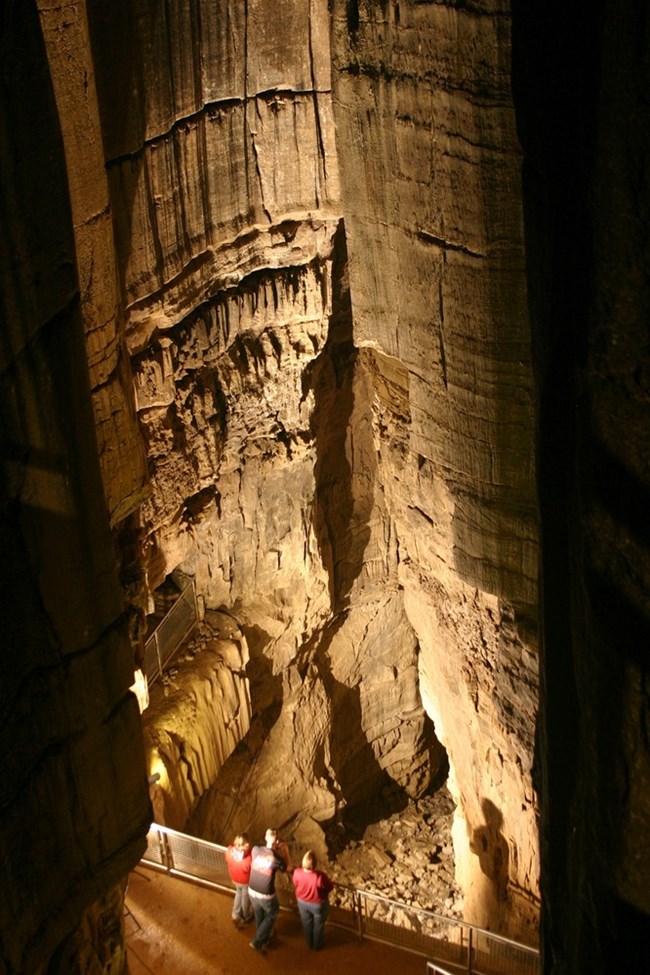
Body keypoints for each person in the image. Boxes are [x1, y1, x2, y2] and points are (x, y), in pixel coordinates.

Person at [248, 828, 291, 953]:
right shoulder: (277, 858)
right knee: (273, 912)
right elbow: (289, 868)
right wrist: (285, 851)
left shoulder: (255, 850)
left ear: (265, 837)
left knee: (259, 913)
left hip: (251, 889)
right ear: (277, 842)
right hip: (266, 895)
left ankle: (264, 937)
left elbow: (263, 855)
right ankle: (257, 941)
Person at [291, 850, 334, 951]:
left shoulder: (297, 872)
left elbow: (295, 883)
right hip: (318, 904)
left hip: (302, 902)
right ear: (315, 864)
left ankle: (309, 943)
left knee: (306, 923)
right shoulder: (319, 876)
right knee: (318, 925)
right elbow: (329, 887)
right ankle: (317, 945)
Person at [225, 833, 254, 926]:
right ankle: (246, 915)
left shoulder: (229, 851)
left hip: (234, 879)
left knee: (238, 893)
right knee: (246, 898)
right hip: (245, 882)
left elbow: (228, 857)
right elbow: (252, 869)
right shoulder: (249, 858)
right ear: (246, 845)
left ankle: (235, 914)